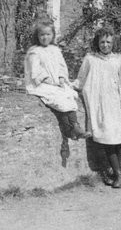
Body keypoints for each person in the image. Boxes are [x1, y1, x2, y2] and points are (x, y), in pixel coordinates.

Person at [74, 25, 121, 189]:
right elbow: (80, 79)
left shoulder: (119, 61)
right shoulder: (90, 59)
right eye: (102, 42)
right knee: (106, 140)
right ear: (97, 43)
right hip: (99, 105)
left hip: (115, 104)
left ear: (113, 43)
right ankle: (117, 173)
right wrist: (67, 86)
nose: (105, 45)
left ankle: (116, 173)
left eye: (108, 42)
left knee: (116, 139)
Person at [24, 17, 90, 154]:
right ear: (37, 36)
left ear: (52, 35)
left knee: (69, 95)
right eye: (41, 35)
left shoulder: (55, 50)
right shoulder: (34, 52)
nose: (44, 37)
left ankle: (74, 127)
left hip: (56, 83)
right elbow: (35, 72)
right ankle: (71, 129)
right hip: (41, 84)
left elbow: (61, 66)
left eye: (48, 34)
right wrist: (49, 80)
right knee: (59, 99)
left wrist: (61, 77)